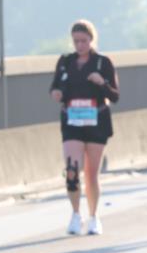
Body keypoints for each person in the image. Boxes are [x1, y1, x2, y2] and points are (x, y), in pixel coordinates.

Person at [49, 20, 120, 235]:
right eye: (76, 41)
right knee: (72, 170)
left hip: (96, 121)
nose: (80, 45)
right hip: (72, 121)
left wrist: (102, 83)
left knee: (91, 173)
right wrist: (57, 93)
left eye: (84, 41)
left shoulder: (102, 62)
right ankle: (75, 214)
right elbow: (54, 87)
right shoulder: (65, 62)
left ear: (91, 40)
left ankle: (94, 215)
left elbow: (115, 95)